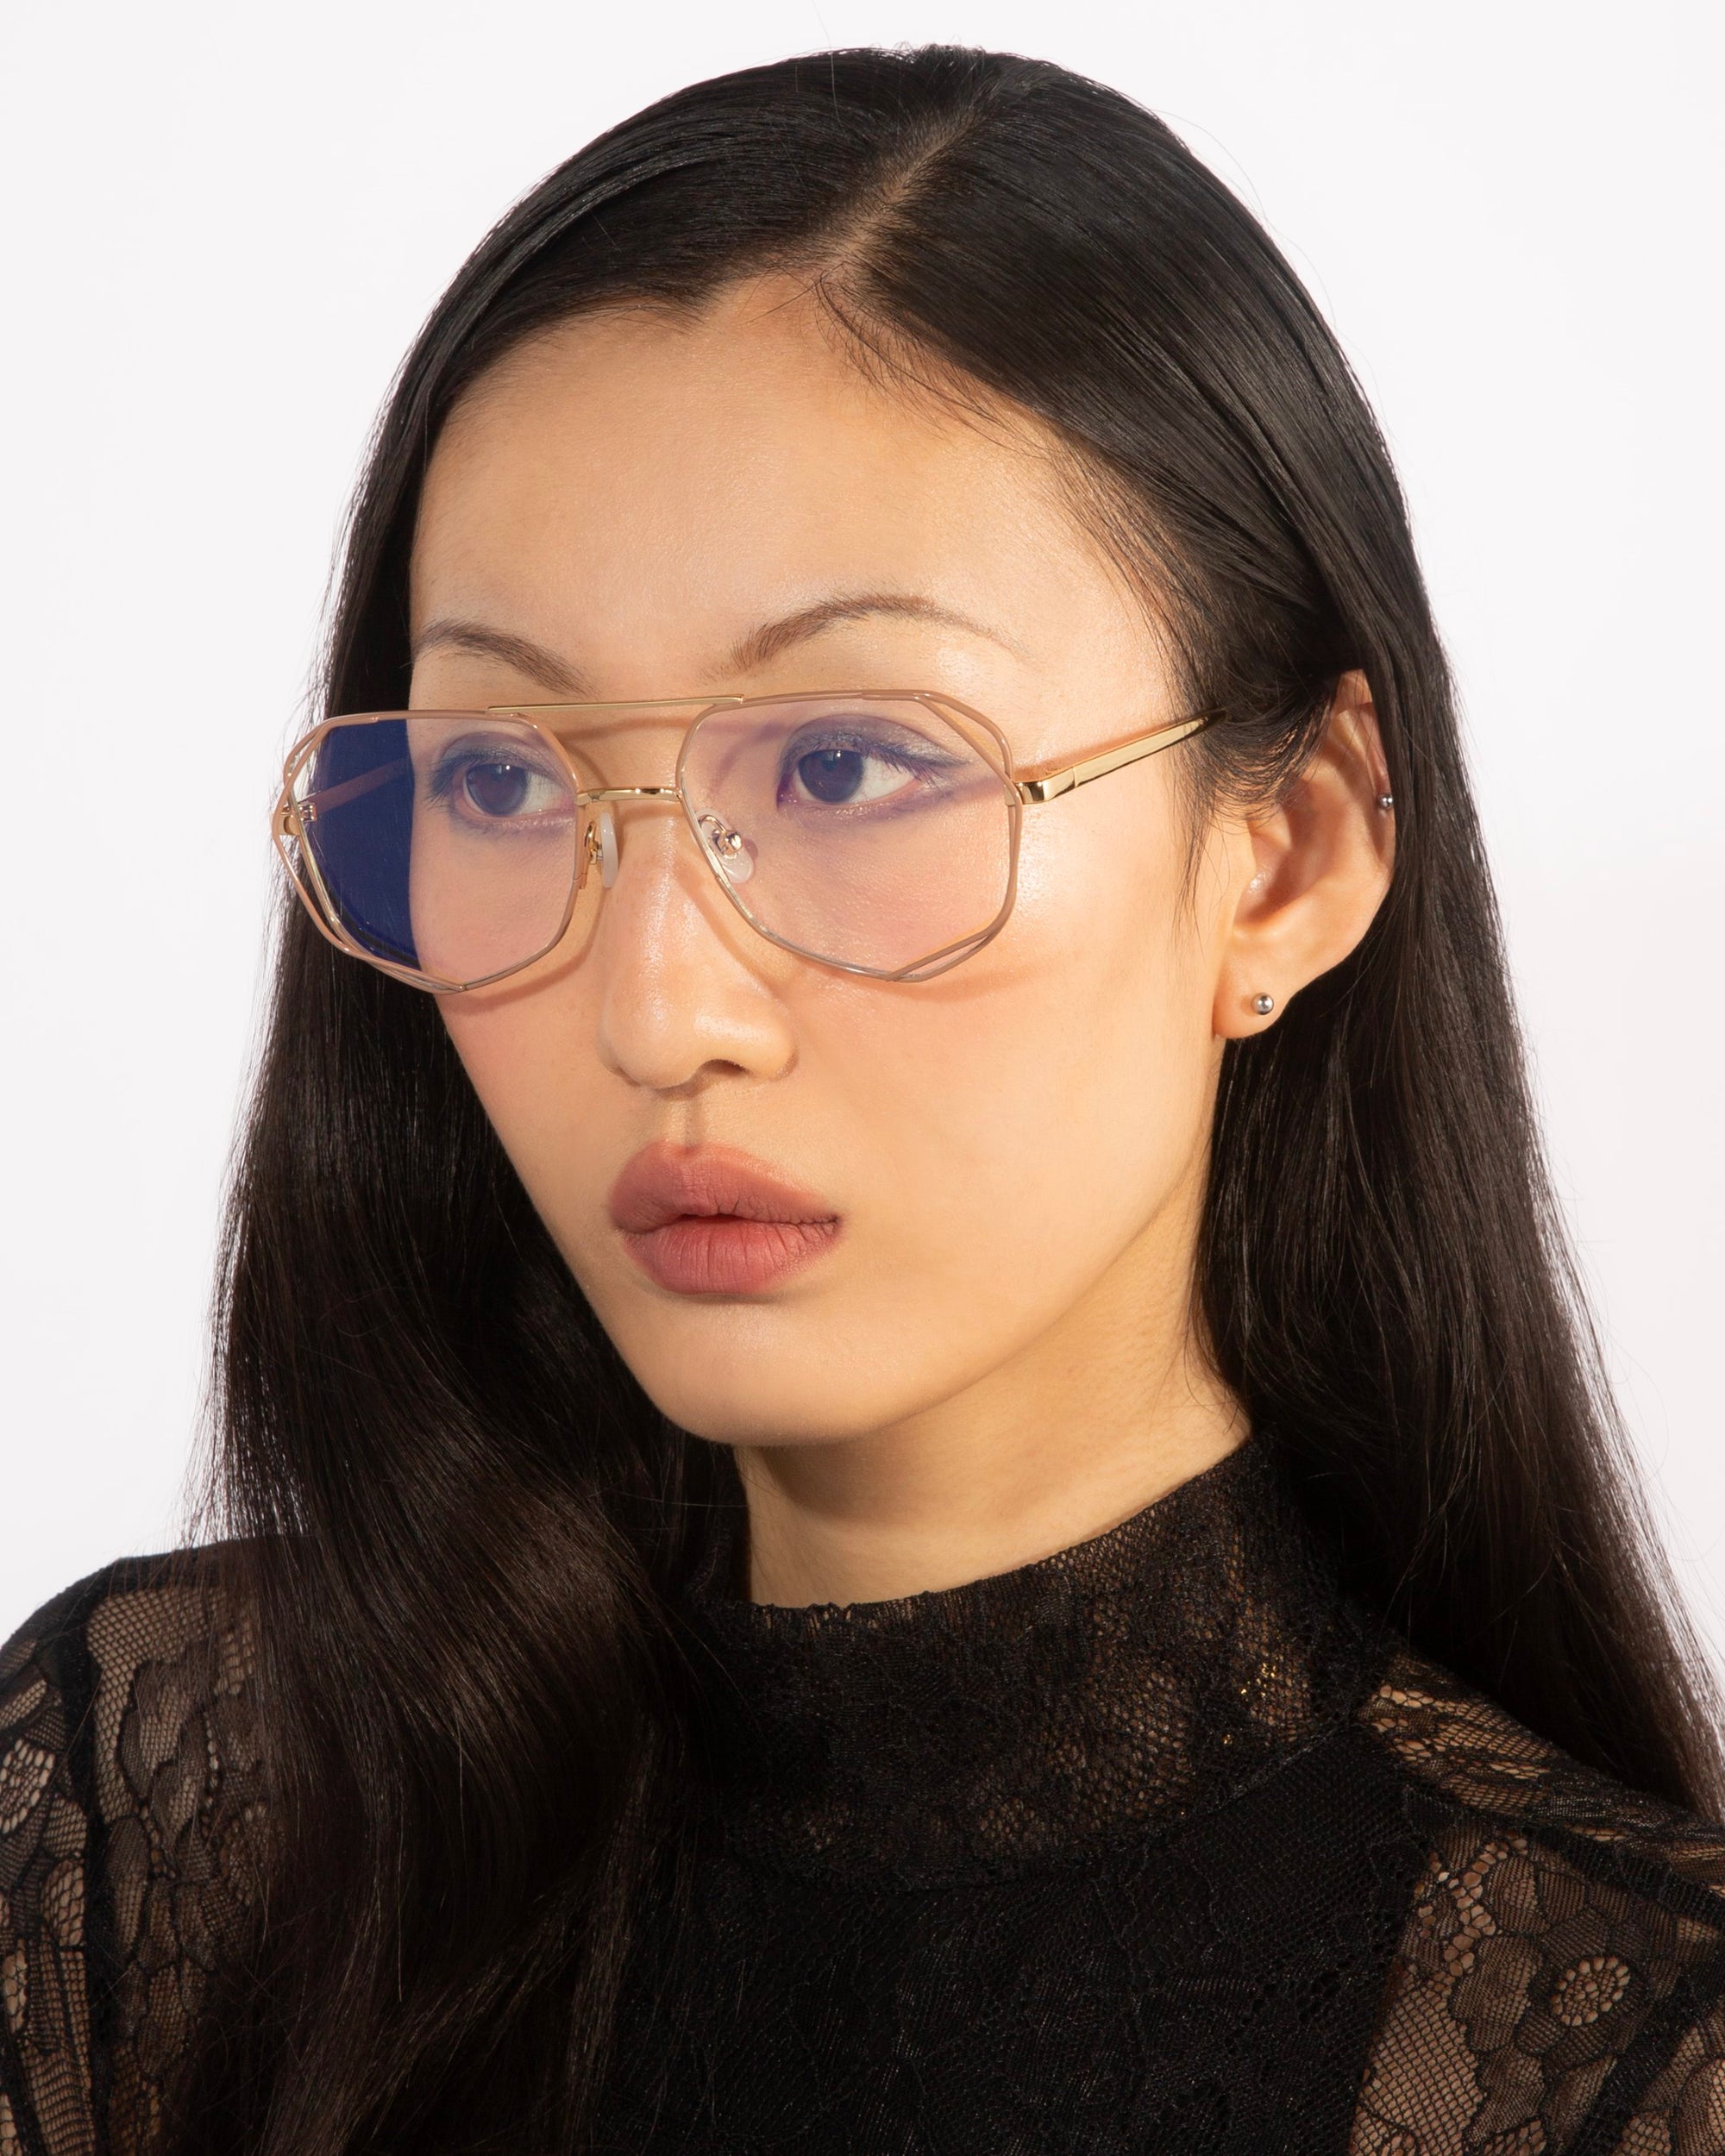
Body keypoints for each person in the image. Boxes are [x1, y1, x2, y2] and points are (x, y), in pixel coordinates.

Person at [4, 43, 1723, 2156]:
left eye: (846, 768)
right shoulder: (147, 1837)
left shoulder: (1621, 2046)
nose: (653, 1006)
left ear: (1288, 850)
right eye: (495, 778)